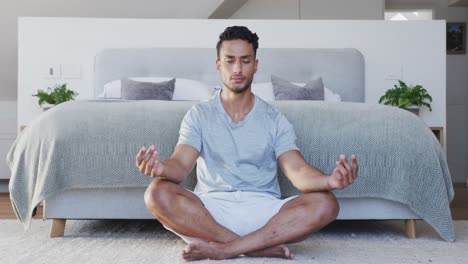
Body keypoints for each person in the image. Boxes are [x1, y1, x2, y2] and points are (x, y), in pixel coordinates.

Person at [136, 26, 358, 261]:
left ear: (255, 65)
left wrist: (329, 181)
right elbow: (180, 164)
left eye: (245, 61)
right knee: (156, 192)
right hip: (210, 210)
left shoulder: (275, 119)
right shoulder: (199, 114)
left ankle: (225, 248)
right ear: (219, 65)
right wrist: (162, 168)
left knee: (326, 203)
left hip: (264, 211)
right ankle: (255, 247)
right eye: (230, 61)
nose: (238, 69)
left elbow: (298, 170)